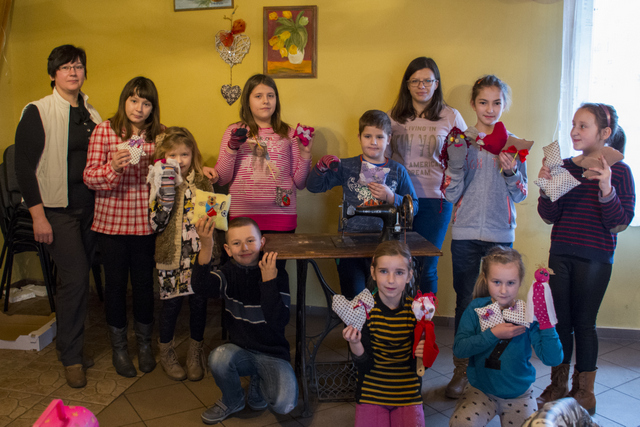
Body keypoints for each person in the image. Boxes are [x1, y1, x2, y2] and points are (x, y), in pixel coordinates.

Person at [536, 103, 635, 414]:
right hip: (560, 253)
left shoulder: (620, 171)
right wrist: (545, 188)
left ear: (604, 132)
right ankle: (558, 385)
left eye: (583, 126)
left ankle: (584, 392)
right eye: (574, 124)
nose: (574, 131)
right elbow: (549, 216)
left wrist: (606, 187)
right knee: (561, 323)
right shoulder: (564, 166)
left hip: (595, 259)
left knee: (585, 324)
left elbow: (619, 223)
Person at [15, 44, 101, 388]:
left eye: (78, 66)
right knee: (75, 278)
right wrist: (38, 216)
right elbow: (24, 167)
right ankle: (71, 356)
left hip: (90, 208)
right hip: (56, 210)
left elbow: (109, 152)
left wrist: (145, 139)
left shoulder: (91, 113)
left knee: (79, 280)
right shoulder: (38, 110)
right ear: (53, 74)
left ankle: (72, 345)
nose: (73, 72)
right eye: (65, 67)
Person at [441, 75, 528, 398]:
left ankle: (493, 368)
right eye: (483, 102)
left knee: (499, 302)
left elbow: (520, 194)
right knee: (466, 302)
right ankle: (462, 370)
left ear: (504, 105)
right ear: (473, 104)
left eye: (496, 103)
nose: (490, 109)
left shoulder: (514, 145)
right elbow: (450, 194)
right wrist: (456, 164)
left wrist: (511, 170)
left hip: (500, 234)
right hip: (465, 232)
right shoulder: (459, 141)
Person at [83, 76, 163, 378]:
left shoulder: (160, 134)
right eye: (133, 100)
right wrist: (113, 166)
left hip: (145, 224)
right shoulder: (104, 130)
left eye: (146, 103)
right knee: (115, 287)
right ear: (124, 100)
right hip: (111, 224)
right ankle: (119, 347)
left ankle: (144, 344)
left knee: (144, 286)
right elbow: (89, 177)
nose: (138, 108)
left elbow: (173, 168)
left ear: (153, 107)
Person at [191, 217, 298, 425]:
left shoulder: (276, 273)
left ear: (262, 242)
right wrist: (206, 244)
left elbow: (278, 322)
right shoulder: (228, 273)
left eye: (250, 241)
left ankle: (259, 379)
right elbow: (200, 286)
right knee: (218, 358)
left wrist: (269, 282)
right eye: (236, 243)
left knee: (284, 404)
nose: (244, 248)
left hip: (273, 354)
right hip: (242, 350)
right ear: (228, 249)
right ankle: (233, 400)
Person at [307, 110, 418, 298]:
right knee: (354, 295)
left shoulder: (398, 171)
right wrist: (321, 167)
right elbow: (313, 187)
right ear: (359, 137)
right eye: (368, 136)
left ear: (389, 139)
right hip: (350, 244)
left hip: (387, 247)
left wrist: (392, 197)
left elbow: (413, 206)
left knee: (384, 298)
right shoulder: (346, 166)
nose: (373, 142)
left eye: (379, 137)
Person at [450, 247, 563, 427]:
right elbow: (459, 349)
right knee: (461, 423)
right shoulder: (475, 309)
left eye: (511, 283)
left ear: (520, 282)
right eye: (496, 282)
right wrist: (492, 334)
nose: (503, 290)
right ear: (486, 279)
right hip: (481, 389)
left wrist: (546, 323)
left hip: (519, 394)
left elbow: (553, 359)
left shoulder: (528, 314)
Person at [214, 74, 313, 273]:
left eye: (270, 95)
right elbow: (222, 178)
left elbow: (301, 182)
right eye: (258, 96)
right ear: (247, 101)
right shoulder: (235, 131)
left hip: (281, 219)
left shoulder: (289, 134)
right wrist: (232, 148)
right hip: (242, 219)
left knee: (275, 275)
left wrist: (305, 153)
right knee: (242, 277)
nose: (266, 101)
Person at [387, 57, 467, 295]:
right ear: (407, 84)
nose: (421, 86)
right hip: (400, 200)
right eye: (415, 81)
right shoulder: (392, 117)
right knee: (398, 265)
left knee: (427, 267)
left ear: (436, 84)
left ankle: (425, 317)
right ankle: (399, 315)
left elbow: (465, 156)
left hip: (436, 201)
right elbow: (383, 158)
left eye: (427, 81)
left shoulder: (451, 116)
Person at [148, 127, 213, 381]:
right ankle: (166, 352)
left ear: (192, 154)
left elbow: (214, 216)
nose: (179, 160)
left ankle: (195, 352)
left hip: (199, 257)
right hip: (171, 258)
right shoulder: (159, 180)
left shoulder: (202, 181)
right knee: (171, 306)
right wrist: (166, 193)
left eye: (184, 154)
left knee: (199, 304)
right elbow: (156, 224)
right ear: (163, 156)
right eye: (172, 155)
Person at [342, 240, 426, 427]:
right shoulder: (364, 311)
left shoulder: (418, 312)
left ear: (409, 275)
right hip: (371, 392)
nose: (391, 280)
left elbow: (419, 367)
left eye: (399, 272)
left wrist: (424, 354)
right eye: (383, 271)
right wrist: (355, 344)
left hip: (407, 393)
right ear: (373, 272)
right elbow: (364, 366)